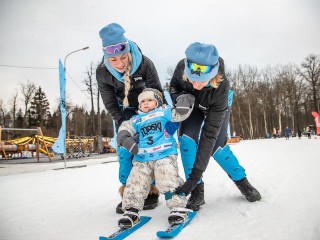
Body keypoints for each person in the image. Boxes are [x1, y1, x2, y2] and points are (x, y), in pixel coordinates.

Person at [169, 42, 261, 210]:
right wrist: (180, 97)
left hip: (216, 106)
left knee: (216, 146)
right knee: (187, 140)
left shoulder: (221, 88)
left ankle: (242, 181)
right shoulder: (181, 67)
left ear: (212, 75)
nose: (195, 85)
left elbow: (209, 135)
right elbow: (173, 86)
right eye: (192, 79)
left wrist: (194, 175)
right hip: (193, 106)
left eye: (201, 81)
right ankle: (197, 189)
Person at [96, 23, 169, 214]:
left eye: (122, 57)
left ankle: (151, 190)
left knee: (147, 147)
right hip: (124, 112)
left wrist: (152, 116)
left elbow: (157, 93)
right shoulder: (102, 72)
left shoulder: (144, 63)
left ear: (128, 51)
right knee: (125, 151)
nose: (119, 63)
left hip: (149, 109)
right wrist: (123, 127)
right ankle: (130, 191)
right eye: (113, 59)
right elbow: (110, 103)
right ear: (106, 57)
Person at [116, 88, 195, 228]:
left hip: (164, 154)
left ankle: (177, 207)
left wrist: (185, 103)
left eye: (149, 100)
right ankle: (131, 210)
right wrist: (125, 138)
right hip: (142, 158)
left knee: (167, 179)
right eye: (142, 101)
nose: (145, 103)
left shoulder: (164, 111)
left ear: (157, 102)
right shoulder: (136, 119)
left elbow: (179, 115)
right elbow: (125, 127)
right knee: (135, 182)